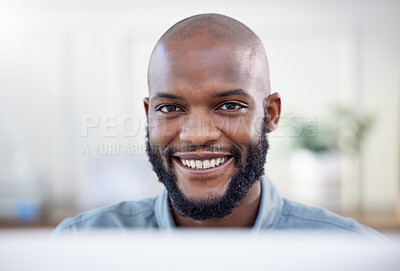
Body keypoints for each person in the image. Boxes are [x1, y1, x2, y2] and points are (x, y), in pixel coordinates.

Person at [53, 14, 383, 239]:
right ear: (148, 114)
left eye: (229, 106)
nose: (198, 134)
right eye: (170, 108)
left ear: (270, 114)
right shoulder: (77, 245)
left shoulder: (353, 252)